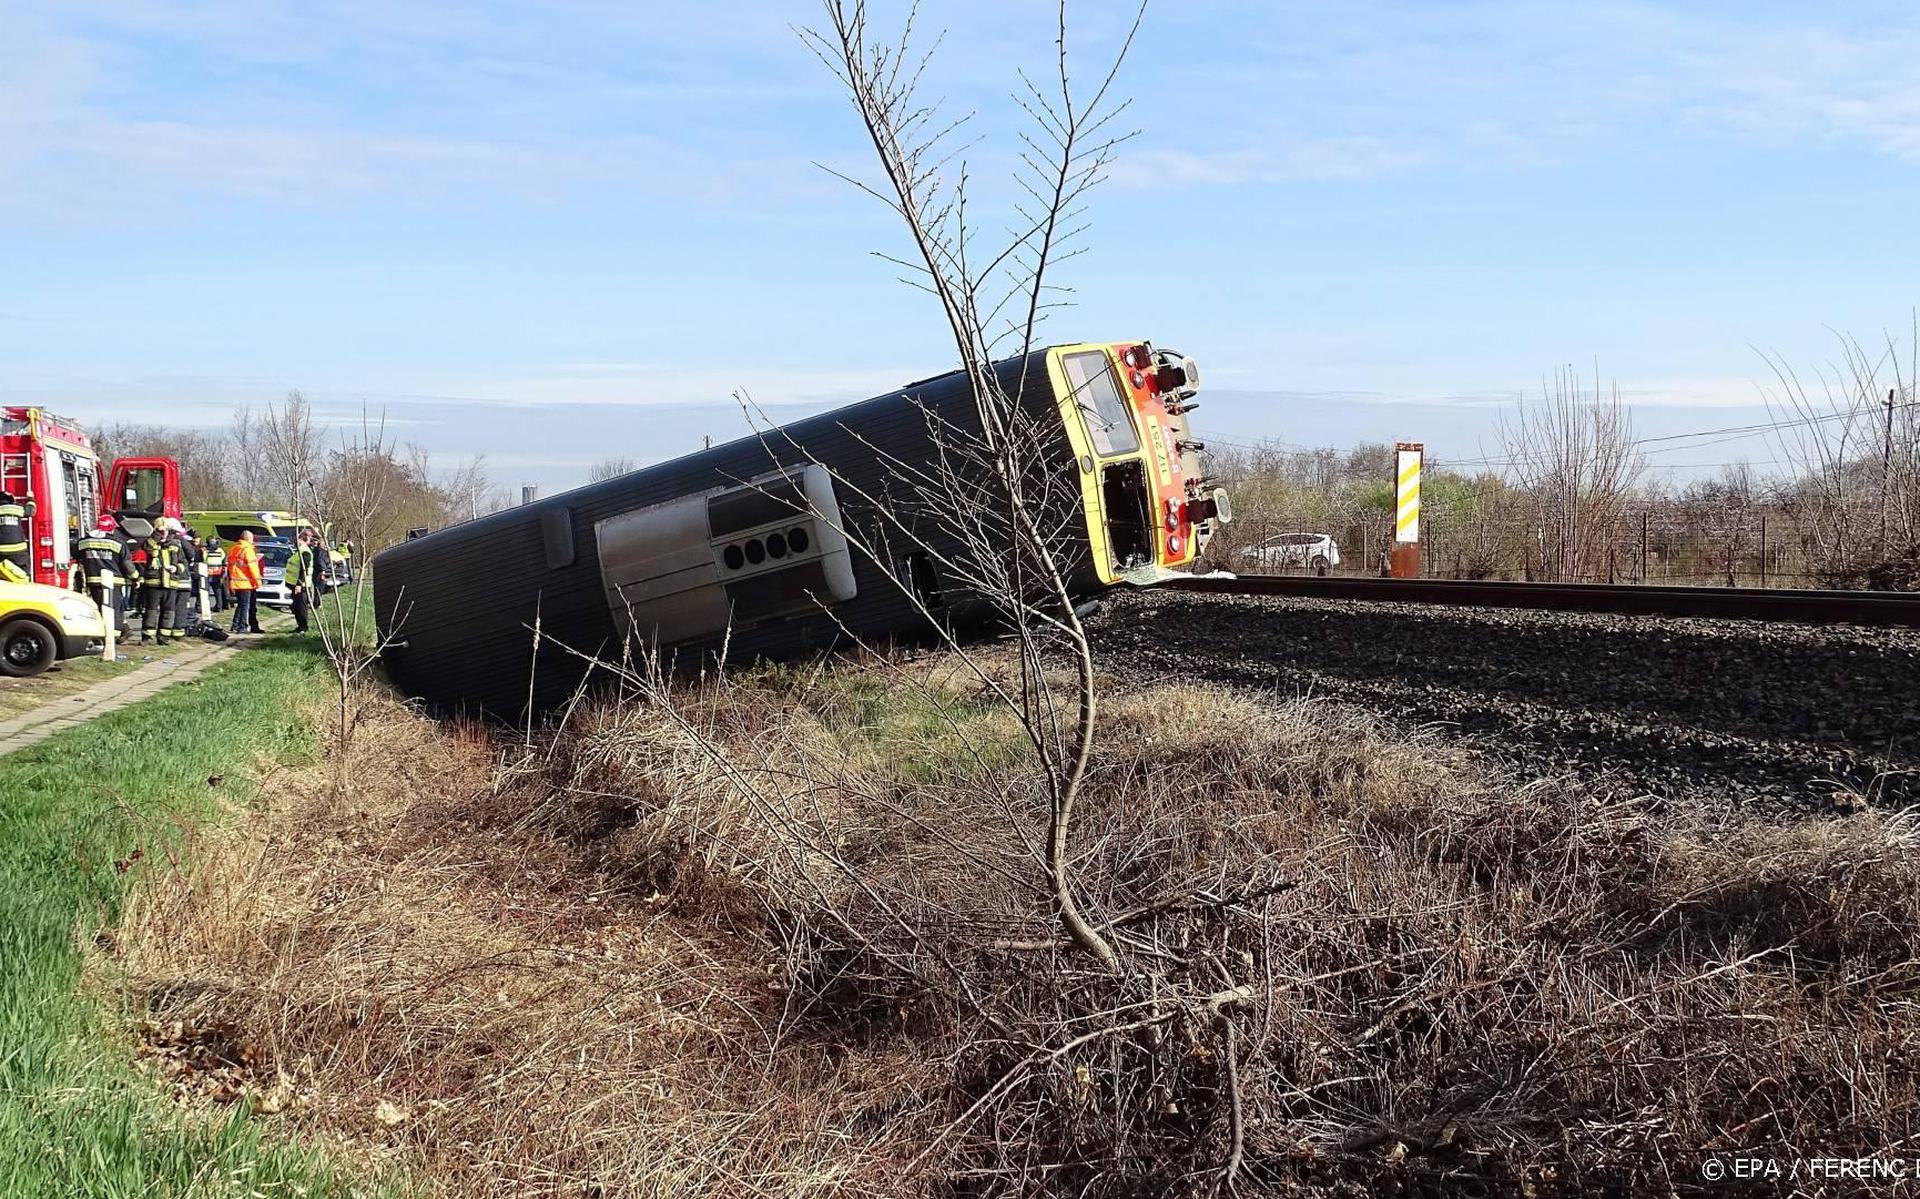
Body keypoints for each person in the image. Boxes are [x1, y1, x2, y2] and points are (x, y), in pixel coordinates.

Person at [74, 514, 136, 637]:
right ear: (111, 528)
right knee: (114, 609)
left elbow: (76, 555)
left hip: (93, 581)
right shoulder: (118, 543)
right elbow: (127, 564)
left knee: (99, 608)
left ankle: (113, 632)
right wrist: (135, 577)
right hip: (114, 581)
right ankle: (114, 638)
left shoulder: (83, 542)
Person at [139, 518, 188, 645]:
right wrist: (156, 535)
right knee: (151, 611)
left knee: (169, 611)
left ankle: (164, 636)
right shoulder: (151, 542)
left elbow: (183, 563)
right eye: (161, 530)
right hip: (154, 582)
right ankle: (148, 636)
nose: (163, 533)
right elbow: (147, 547)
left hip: (171, 583)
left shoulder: (175, 544)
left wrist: (175, 568)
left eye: (165, 530)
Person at [226, 530, 264, 634]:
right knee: (244, 606)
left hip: (236, 581)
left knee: (241, 604)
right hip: (246, 582)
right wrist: (258, 582)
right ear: (248, 539)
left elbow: (230, 565)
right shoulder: (248, 549)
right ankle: (241, 627)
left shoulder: (234, 548)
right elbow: (253, 567)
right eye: (252, 539)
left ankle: (235, 625)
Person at [288, 529, 317, 633]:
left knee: (301, 607)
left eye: (297, 540)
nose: (295, 543)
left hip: (302, 585)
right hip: (295, 584)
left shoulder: (305, 552)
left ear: (302, 540)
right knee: (295, 607)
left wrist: (299, 584)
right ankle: (300, 626)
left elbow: (303, 569)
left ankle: (303, 628)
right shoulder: (299, 551)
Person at [0, 490, 30, 583]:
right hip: (18, 552)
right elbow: (30, 511)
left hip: (1, 551)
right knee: (24, 575)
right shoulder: (17, 508)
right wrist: (30, 499)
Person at [205, 536, 228, 612]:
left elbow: (203, 560)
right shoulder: (221, 550)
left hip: (207, 572)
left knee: (205, 591)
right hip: (217, 572)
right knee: (217, 590)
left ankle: (204, 607)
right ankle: (219, 606)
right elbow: (223, 560)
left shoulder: (205, 550)